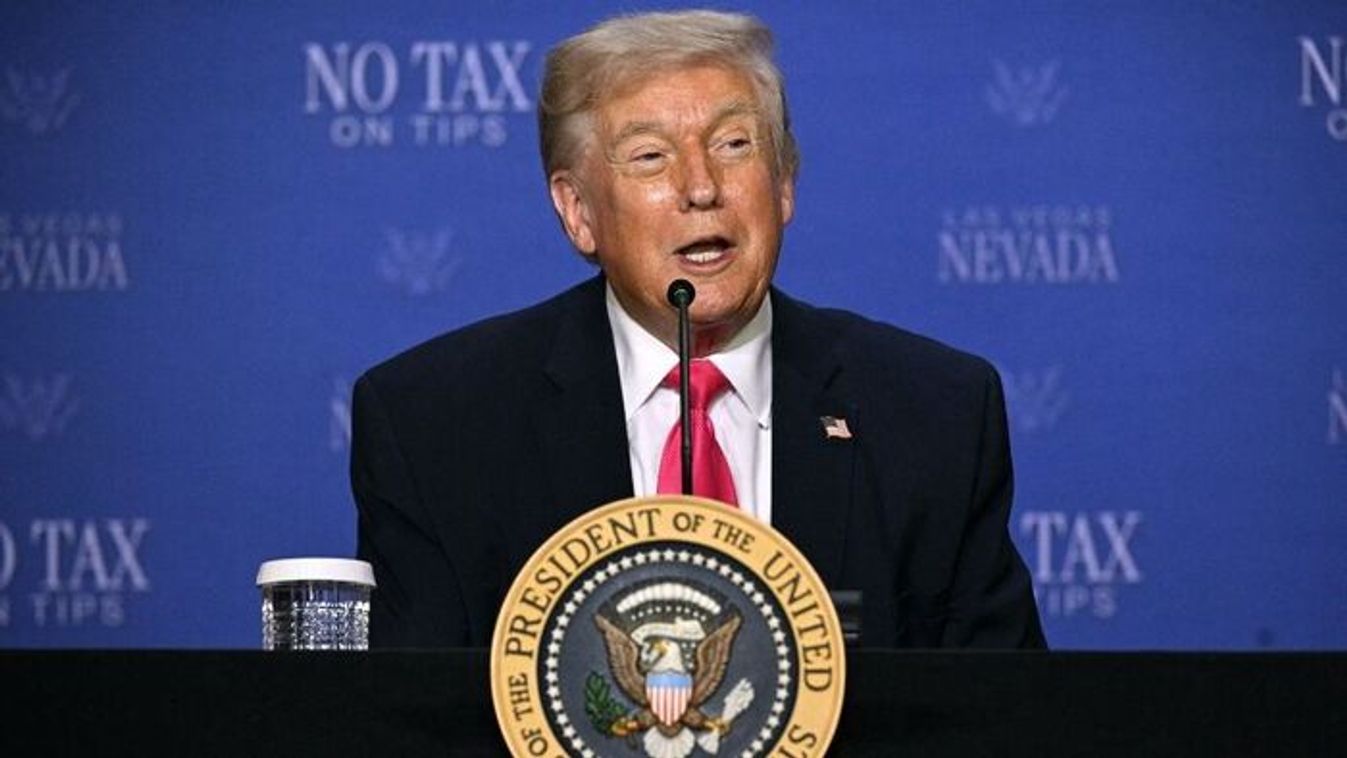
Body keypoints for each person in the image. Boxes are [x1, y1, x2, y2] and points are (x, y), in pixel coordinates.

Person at [351, 10, 1045, 649]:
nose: (701, 186)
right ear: (578, 211)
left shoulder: (935, 414)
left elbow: (1001, 712)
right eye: (650, 156)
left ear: (783, 184)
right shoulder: (436, 426)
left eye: (734, 144)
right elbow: (414, 715)